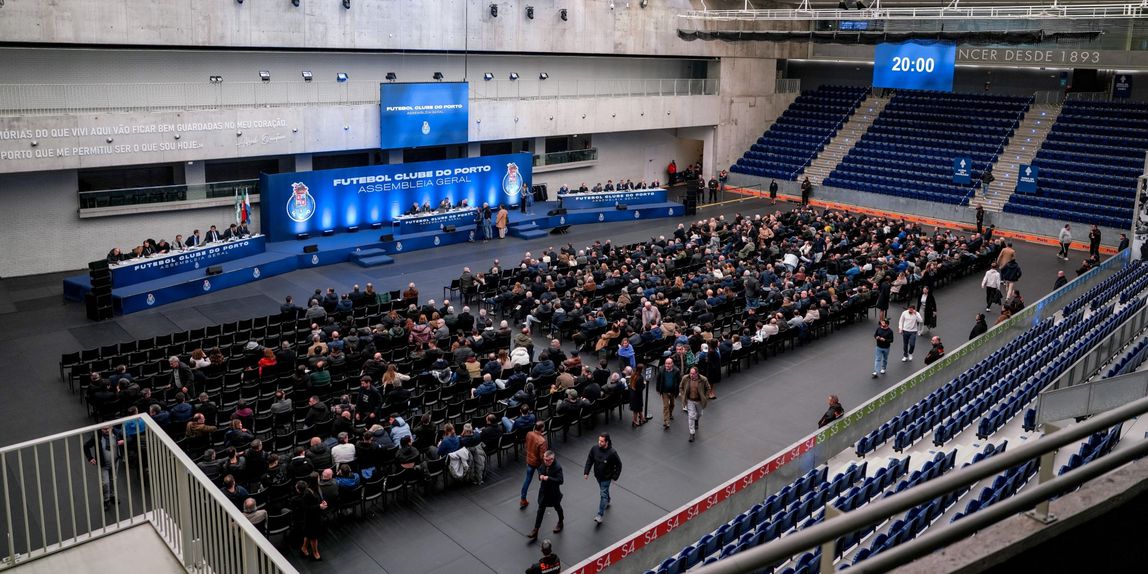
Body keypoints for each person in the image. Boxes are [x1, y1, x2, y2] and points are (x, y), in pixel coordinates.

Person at [583, 433, 622, 525]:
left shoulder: (612, 453)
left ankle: (600, 515)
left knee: (602, 493)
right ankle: (608, 499)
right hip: (598, 476)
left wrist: (615, 477)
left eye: (602, 441)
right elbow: (590, 460)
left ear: (607, 442)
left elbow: (619, 465)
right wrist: (586, 472)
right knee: (604, 491)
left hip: (606, 478)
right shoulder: (594, 449)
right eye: (599, 440)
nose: (599, 442)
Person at [84, 426, 123, 511]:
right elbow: (86, 446)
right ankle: (106, 500)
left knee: (113, 480)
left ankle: (112, 496)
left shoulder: (117, 433)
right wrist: (90, 458)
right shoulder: (97, 436)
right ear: (101, 429)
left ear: (112, 427)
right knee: (105, 483)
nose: (106, 430)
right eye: (104, 429)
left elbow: (129, 438)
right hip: (104, 464)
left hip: (115, 462)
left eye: (108, 428)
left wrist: (123, 441)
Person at [527, 450, 564, 540]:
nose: (545, 461)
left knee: (557, 507)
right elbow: (540, 469)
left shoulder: (557, 467)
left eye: (547, 460)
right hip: (544, 492)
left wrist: (549, 478)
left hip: (553, 493)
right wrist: (540, 475)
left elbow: (560, 481)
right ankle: (536, 530)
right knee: (540, 510)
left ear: (552, 459)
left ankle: (561, 521)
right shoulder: (544, 463)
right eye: (544, 459)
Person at [294, 479, 327, 561]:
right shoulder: (308, 495)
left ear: (298, 490)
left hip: (308, 518)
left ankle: (304, 548)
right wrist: (320, 506)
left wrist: (321, 504)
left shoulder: (301, 498)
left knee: (308, 534)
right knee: (313, 537)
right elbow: (308, 508)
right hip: (309, 518)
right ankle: (315, 553)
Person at [519, 421, 548, 509]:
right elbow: (542, 456)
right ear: (542, 428)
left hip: (529, 461)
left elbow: (526, 446)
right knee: (544, 480)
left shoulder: (529, 434)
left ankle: (523, 499)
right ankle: (543, 499)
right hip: (538, 463)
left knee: (527, 480)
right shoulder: (542, 441)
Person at [679, 367, 711, 443]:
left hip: (699, 401)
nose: (691, 375)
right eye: (690, 373)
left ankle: (696, 420)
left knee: (699, 414)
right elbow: (681, 387)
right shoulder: (685, 378)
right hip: (690, 400)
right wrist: (683, 395)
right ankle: (692, 433)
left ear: (697, 373)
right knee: (691, 416)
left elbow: (708, 388)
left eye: (693, 373)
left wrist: (705, 398)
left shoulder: (703, 379)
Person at [655, 358, 681, 431]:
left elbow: (679, 381)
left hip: (672, 391)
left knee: (672, 404)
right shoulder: (661, 370)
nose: (667, 365)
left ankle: (670, 414)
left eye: (669, 364)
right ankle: (666, 422)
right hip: (664, 391)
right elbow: (658, 379)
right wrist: (657, 389)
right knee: (666, 406)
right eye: (666, 363)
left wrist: (679, 390)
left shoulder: (676, 371)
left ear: (672, 364)